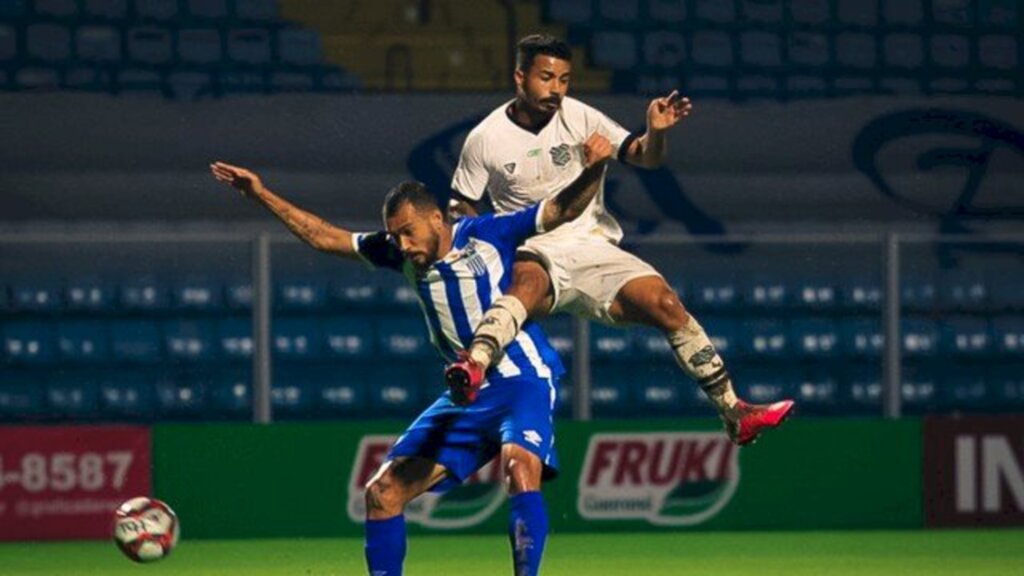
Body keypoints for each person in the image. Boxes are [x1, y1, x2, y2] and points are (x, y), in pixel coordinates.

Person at [209, 131, 613, 576]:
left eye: (408, 233)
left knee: (519, 472)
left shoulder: (488, 234)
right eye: (394, 236)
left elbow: (560, 210)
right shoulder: (395, 253)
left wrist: (594, 168)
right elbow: (324, 237)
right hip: (466, 395)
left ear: (436, 219)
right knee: (382, 494)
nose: (401, 245)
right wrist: (261, 194)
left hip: (523, 379)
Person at [446, 34, 793, 446]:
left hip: (594, 247)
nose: (556, 89)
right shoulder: (485, 138)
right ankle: (473, 365)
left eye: (564, 79)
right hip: (534, 247)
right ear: (520, 77)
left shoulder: (580, 117)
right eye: (546, 77)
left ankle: (735, 412)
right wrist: (485, 247)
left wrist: (655, 132)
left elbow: (645, 155)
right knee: (528, 282)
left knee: (665, 303)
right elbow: (460, 207)